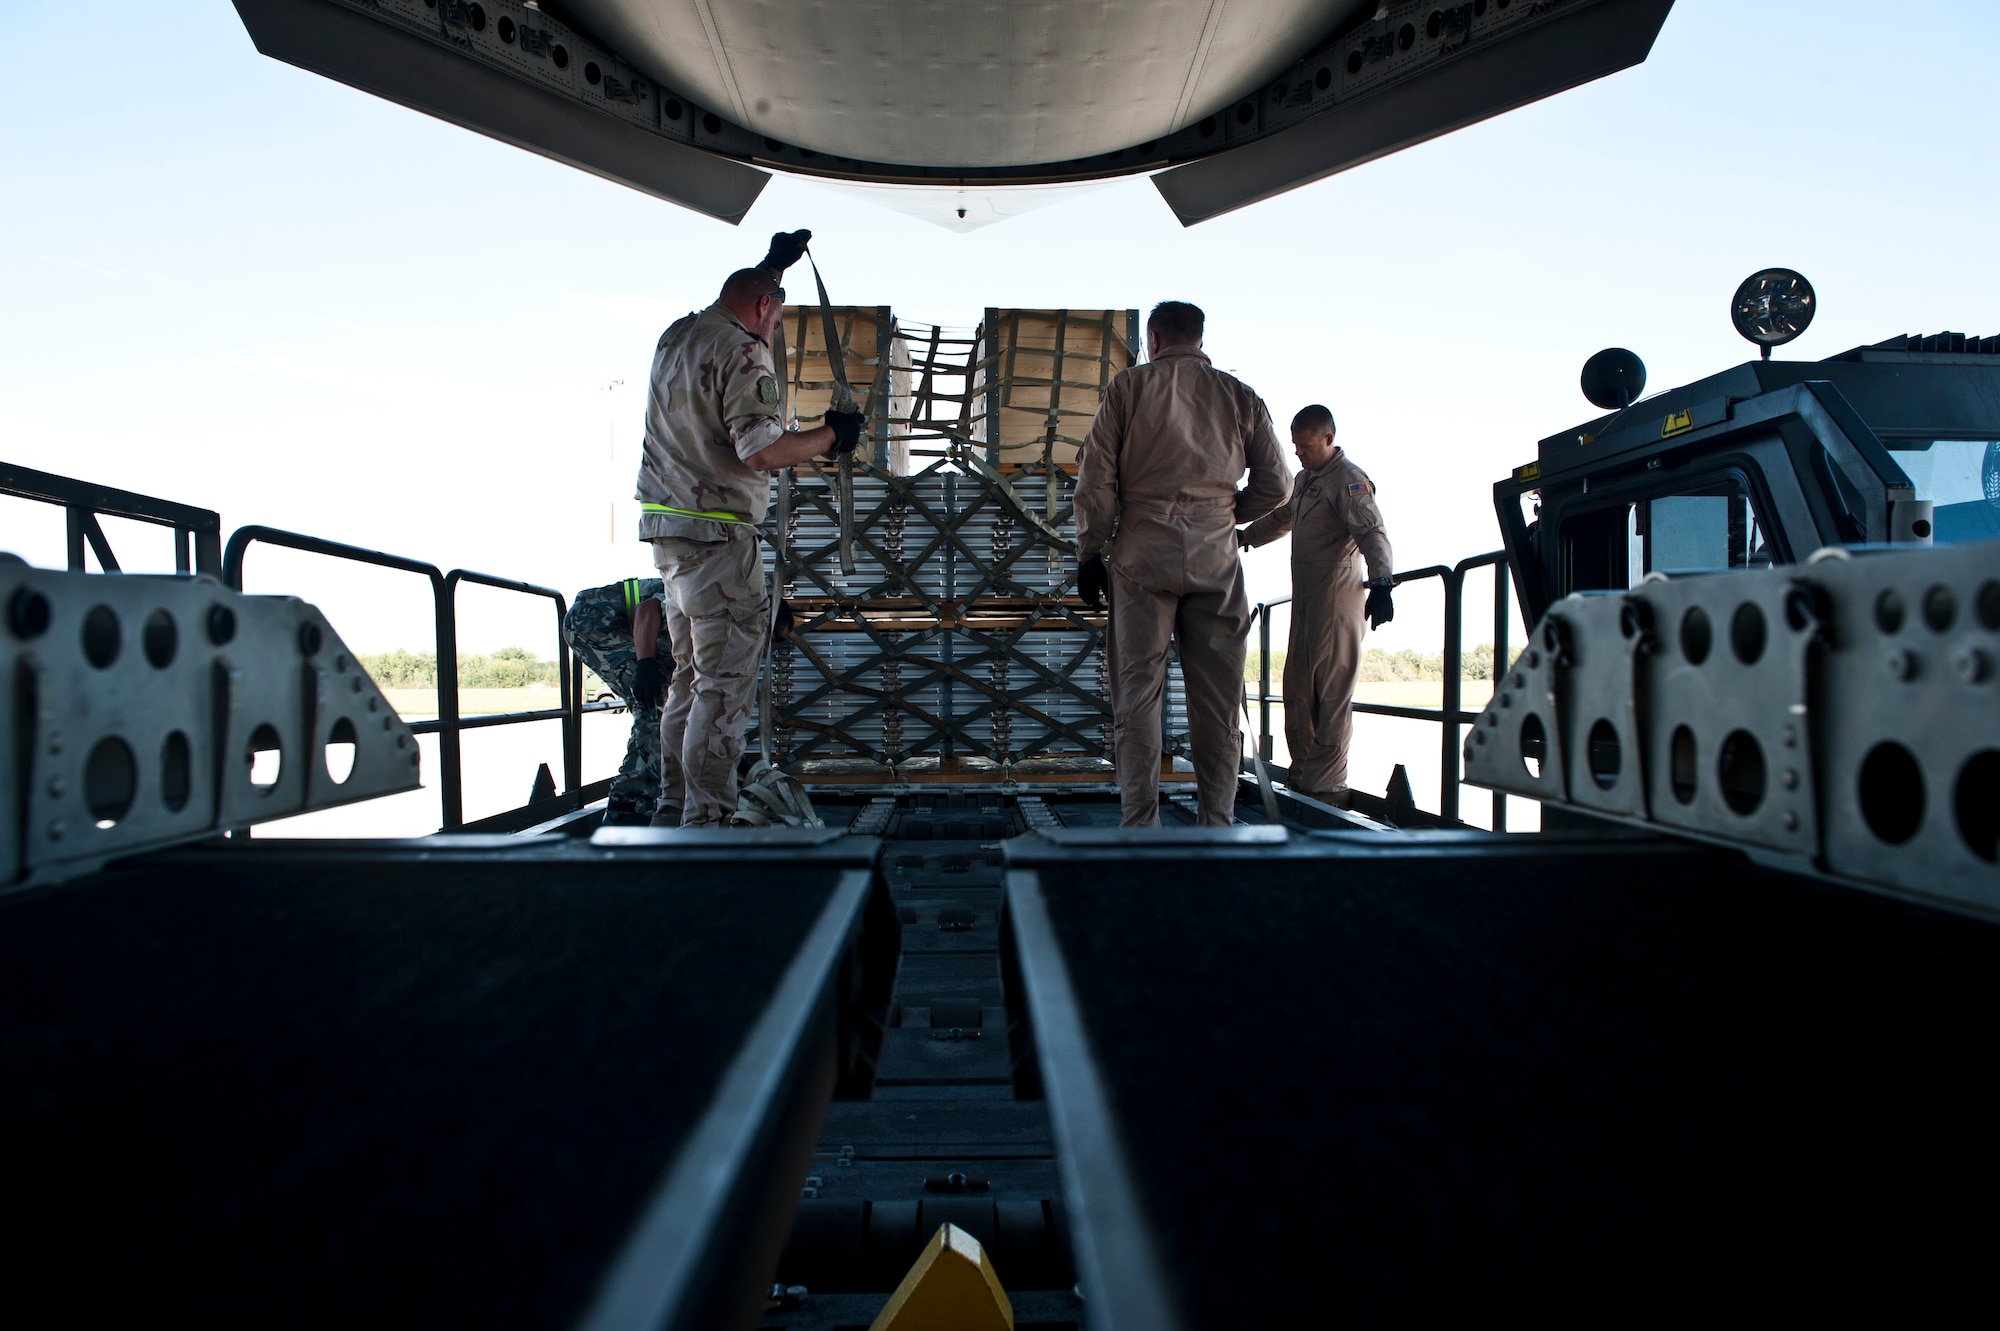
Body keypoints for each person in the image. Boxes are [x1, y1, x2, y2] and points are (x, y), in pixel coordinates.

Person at [637, 232, 864, 826]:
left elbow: (743, 297)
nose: (774, 333)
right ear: (764, 309)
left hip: (670, 537)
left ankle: (672, 810)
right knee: (723, 687)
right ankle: (707, 825)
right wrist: (833, 436)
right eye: (776, 318)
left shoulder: (677, 336)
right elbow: (760, 451)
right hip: (718, 539)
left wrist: (768, 267)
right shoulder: (742, 351)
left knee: (688, 678)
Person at [1073, 300, 1292, 827]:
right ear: (1199, 338)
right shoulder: (1240, 395)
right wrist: (1227, 514)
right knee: (1217, 702)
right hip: (1216, 555)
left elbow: (1097, 477)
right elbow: (1279, 485)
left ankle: (1140, 823)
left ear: (1153, 339)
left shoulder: (1127, 388)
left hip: (1143, 553)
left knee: (1139, 694)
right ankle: (1216, 822)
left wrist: (1089, 550)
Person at [1238, 404, 1394, 807]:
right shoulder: (1306, 481)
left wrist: (1381, 583)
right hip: (1307, 599)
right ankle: (1304, 778)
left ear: (1328, 439)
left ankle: (1328, 787)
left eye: (1305, 446)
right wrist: (1244, 537)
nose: (1298, 454)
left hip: (1337, 598)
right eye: (1295, 446)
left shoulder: (1349, 481)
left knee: (1330, 694)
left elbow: (1372, 532)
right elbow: (1280, 519)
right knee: (1298, 689)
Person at [562, 577, 672, 825]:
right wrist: (645, 665)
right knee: (653, 705)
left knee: (668, 706)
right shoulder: (713, 601)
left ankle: (649, 796)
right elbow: (648, 609)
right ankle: (626, 807)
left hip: (616, 627)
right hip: (595, 622)